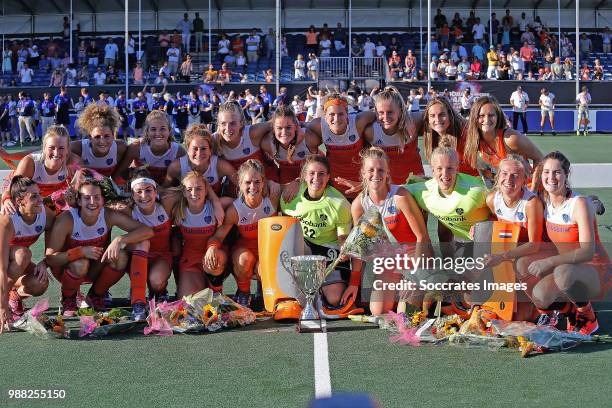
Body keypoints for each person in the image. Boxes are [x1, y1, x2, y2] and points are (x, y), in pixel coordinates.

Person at [515, 151, 610, 335]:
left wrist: (548, 262)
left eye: (557, 172)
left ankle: (588, 317)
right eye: (546, 172)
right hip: (566, 267)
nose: (551, 177)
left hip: (594, 270)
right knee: (535, 286)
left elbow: (587, 252)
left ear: (566, 175)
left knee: (561, 271)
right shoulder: (543, 201)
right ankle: (567, 311)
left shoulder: (578, 204)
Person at [45, 174, 153, 317]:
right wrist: (80, 251)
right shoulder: (66, 220)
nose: (92, 201)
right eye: (87, 197)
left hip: (96, 267)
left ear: (103, 200)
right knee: (80, 263)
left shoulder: (108, 215)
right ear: (79, 200)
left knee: (120, 256)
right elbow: (51, 259)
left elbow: (147, 231)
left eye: (97, 197)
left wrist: (120, 239)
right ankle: (68, 298)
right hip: (69, 268)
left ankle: (96, 295)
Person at [351, 148, 430, 315]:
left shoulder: (399, 196)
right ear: (363, 173)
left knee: (405, 314)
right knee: (377, 311)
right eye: (371, 170)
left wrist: (414, 275)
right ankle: (399, 291)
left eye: (381, 170)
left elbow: (422, 237)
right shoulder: (359, 205)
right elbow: (361, 247)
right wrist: (353, 282)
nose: (376, 174)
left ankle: (426, 289)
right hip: (391, 263)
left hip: (415, 258)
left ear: (387, 173)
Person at [281, 155, 355, 308]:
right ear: (304, 176)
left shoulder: (339, 204)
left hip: (328, 250)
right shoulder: (291, 196)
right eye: (312, 173)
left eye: (321, 174)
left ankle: (318, 286)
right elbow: (286, 226)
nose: (316, 178)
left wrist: (344, 247)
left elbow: (342, 236)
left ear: (328, 177)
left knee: (335, 298)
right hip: (303, 248)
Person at [207, 159, 280, 307]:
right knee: (243, 260)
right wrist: (212, 248)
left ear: (263, 182)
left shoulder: (273, 198)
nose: (252, 186)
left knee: (265, 270)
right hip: (245, 250)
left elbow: (294, 187)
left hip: (267, 253)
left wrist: (288, 183)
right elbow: (219, 236)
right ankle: (243, 292)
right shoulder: (235, 210)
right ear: (240, 184)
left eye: (257, 182)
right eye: (247, 182)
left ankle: (271, 292)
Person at [483, 155, 544, 320]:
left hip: (533, 258)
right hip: (511, 258)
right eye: (504, 173)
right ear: (498, 176)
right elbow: (496, 226)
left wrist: (502, 257)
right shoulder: (492, 200)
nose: (508, 179)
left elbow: (535, 245)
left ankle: (549, 306)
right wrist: (480, 229)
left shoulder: (531, 204)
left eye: (515, 175)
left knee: (524, 318)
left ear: (525, 179)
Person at [407, 146, 489, 256]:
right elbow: (394, 190)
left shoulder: (476, 191)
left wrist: (488, 226)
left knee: (474, 271)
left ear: (457, 168)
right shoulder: (423, 191)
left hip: (488, 241)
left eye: (449, 168)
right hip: (461, 240)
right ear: (433, 170)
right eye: (439, 168)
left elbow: (500, 204)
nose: (445, 173)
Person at [0, 177, 55, 330]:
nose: (40, 199)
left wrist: (45, 262)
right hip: (3, 263)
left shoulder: (46, 215)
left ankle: (13, 295)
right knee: (23, 254)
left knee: (40, 283)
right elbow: (2, 268)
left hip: (15, 262)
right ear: (19, 201)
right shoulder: (7, 220)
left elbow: (55, 247)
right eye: (34, 196)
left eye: (39, 194)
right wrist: (2, 306)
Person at [302, 94, 376, 199]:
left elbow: (382, 116)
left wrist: (407, 122)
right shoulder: (318, 125)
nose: (336, 119)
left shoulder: (359, 121)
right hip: (334, 185)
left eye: (341, 114)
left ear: (347, 114)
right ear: (325, 116)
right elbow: (298, 125)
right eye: (331, 114)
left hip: (361, 183)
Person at [464, 96, 543, 188]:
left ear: (498, 117)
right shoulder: (473, 142)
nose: (486, 120)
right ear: (474, 118)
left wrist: (533, 190)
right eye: (481, 116)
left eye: (491, 115)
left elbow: (539, 158)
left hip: (524, 189)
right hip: (503, 191)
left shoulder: (510, 138)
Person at [1, 127, 81, 214]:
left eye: (61, 148)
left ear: (67, 150)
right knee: (13, 212)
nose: (56, 153)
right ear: (44, 148)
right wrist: (6, 200)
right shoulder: (30, 163)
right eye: (51, 148)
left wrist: (73, 194)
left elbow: (80, 191)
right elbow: (10, 192)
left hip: (49, 194)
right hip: (21, 189)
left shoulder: (74, 163)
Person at [362, 86, 423, 186]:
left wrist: (407, 118)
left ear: (400, 111)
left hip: (416, 184)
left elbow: (431, 113)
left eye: (390, 112)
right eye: (381, 112)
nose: (385, 117)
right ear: (375, 113)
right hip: (388, 187)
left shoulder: (414, 122)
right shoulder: (370, 132)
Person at [115, 110, 186, 185]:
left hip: (165, 191)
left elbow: (186, 180)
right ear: (147, 132)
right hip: (141, 190)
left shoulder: (178, 151)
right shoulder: (136, 147)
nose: (158, 133)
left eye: (162, 128)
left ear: (169, 131)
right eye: (153, 129)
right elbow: (118, 175)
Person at [165, 124, 236, 194]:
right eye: (195, 148)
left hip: (214, 204)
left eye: (203, 148)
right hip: (186, 204)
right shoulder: (176, 167)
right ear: (187, 150)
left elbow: (241, 184)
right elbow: (165, 191)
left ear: (210, 150)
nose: (199, 153)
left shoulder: (220, 166)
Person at [261, 106, 320, 184]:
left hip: (310, 187)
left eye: (288, 127)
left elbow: (324, 126)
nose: (284, 132)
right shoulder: (267, 143)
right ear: (273, 130)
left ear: (295, 127)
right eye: (279, 128)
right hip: (284, 189)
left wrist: (302, 124)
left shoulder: (309, 139)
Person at [72, 103, 129, 182]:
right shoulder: (77, 148)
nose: (102, 141)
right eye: (97, 137)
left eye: (106, 136)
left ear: (113, 135)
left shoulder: (120, 148)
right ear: (89, 137)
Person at [422, 96, 477, 176]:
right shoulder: (430, 136)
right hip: (450, 183)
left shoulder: (466, 134)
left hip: (473, 183)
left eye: (442, 115)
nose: (437, 119)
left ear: (450, 116)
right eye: (432, 116)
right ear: (428, 119)